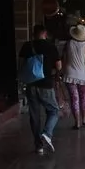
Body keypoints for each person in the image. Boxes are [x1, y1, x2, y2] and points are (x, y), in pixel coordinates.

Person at [18, 25, 62, 154]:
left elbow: (20, 65)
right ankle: (47, 133)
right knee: (54, 110)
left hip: (30, 84)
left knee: (34, 115)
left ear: (33, 33)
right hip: (46, 84)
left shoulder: (27, 46)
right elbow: (59, 66)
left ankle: (39, 146)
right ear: (45, 33)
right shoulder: (51, 46)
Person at [61, 25, 85, 128]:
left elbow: (64, 60)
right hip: (82, 75)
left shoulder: (68, 44)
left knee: (74, 99)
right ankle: (84, 119)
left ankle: (77, 122)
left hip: (70, 75)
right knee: (83, 97)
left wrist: (61, 72)